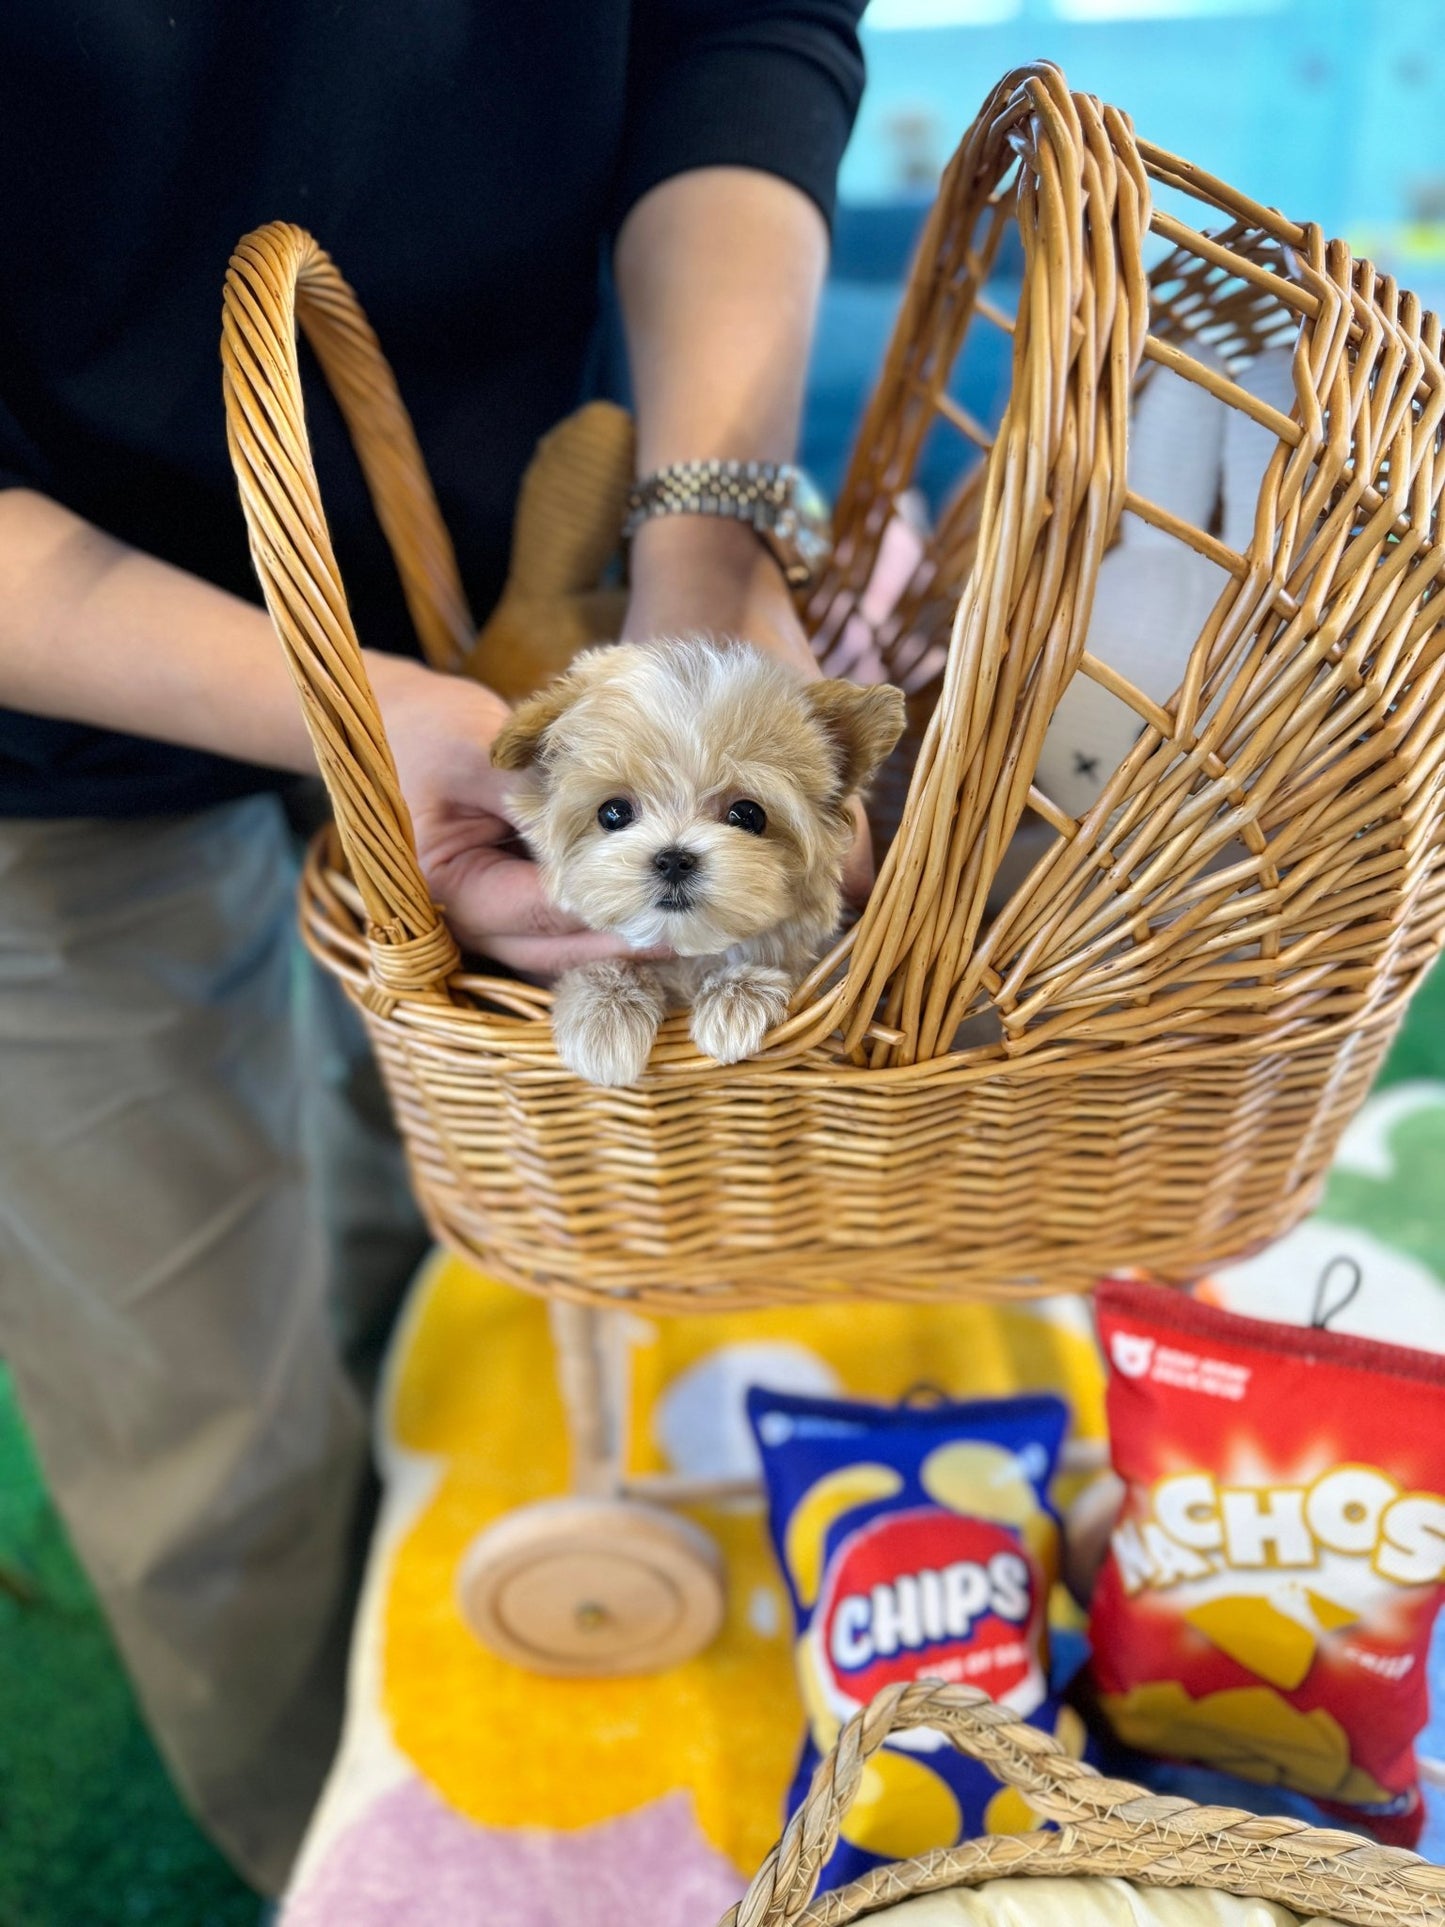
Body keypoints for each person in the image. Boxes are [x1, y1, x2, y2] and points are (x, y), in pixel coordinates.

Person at [0, 0, 868, 1897]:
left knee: (448, 1198)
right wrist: (331, 707)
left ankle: (459, 1546)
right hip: (33, 731)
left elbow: (744, 31)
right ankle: (359, 1852)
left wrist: (707, 537)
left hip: (494, 586)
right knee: (197, 1418)